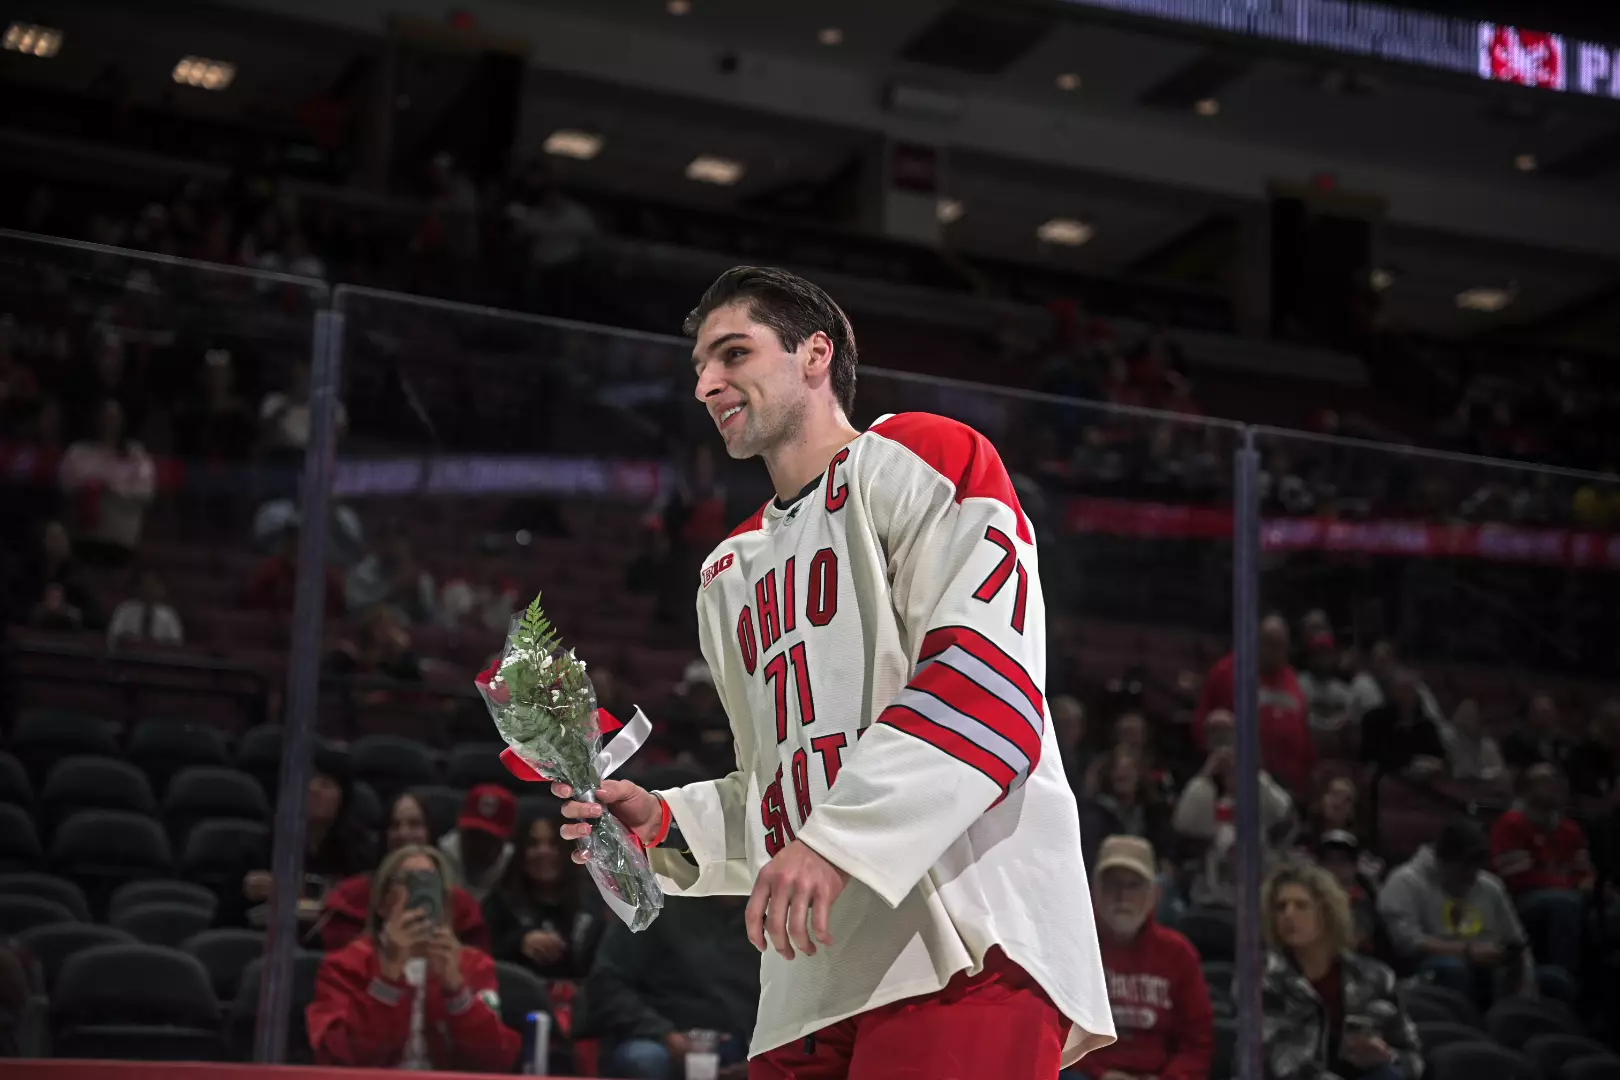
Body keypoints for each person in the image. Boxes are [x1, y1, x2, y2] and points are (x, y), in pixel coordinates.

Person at [555, 266, 1113, 1077]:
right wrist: (668, 824)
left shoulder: (921, 454)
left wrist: (837, 844)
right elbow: (779, 788)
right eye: (699, 368)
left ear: (816, 354)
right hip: (808, 983)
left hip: (962, 941)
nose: (707, 384)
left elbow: (986, 690)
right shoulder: (725, 575)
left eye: (734, 353)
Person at [306, 844, 520, 1071]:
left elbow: (495, 1064)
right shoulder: (345, 966)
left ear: (445, 901)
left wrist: (458, 993)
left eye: (431, 882)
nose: (421, 892)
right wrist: (387, 981)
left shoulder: (474, 966)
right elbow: (336, 1060)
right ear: (383, 903)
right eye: (409, 881)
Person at [1062, 836, 1212, 1080]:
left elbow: (1198, 1041)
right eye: (1112, 885)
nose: (1122, 896)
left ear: (1155, 894)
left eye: (1133, 885)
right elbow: (1058, 1032)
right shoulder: (1072, 950)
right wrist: (1101, 1074)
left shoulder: (1179, 955)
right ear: (1094, 891)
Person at [1376, 817, 1568, 1004]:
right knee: (1452, 968)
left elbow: (1517, 940)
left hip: (1490, 967)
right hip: (1428, 968)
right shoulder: (1405, 882)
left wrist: (1526, 982)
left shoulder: (1490, 885)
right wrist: (1468, 951)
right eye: (1465, 867)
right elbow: (1407, 942)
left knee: (1555, 980)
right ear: (1442, 860)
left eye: (1476, 866)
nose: (1471, 874)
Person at [1260, 863, 1421, 1080]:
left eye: (1301, 905)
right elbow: (1280, 1065)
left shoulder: (1376, 977)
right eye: (1280, 907)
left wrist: (1387, 1056)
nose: (1289, 915)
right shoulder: (1263, 980)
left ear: (1328, 912)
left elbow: (1413, 1056)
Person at [322, 792, 489, 953]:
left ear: (431, 832)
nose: (403, 833)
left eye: (414, 824)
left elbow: (478, 961)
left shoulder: (461, 904)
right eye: (395, 825)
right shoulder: (350, 895)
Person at [1172, 709, 1295, 910]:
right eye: (1214, 733)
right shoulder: (1194, 777)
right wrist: (1207, 775)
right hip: (1212, 895)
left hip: (1261, 889)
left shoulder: (1262, 779)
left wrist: (1249, 773)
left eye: (1227, 733)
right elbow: (1185, 824)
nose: (1222, 741)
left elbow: (1282, 815)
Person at [1195, 614, 1315, 795]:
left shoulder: (1293, 682)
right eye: (1269, 643)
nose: (1273, 651)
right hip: (1237, 783)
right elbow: (1202, 724)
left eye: (1279, 646)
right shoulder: (1227, 671)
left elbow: (1304, 734)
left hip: (1286, 786)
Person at [483, 808, 602, 980]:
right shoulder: (499, 903)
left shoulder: (592, 903)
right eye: (533, 844)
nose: (543, 852)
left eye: (553, 844)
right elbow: (480, 958)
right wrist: (519, 943)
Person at [1359, 671, 1446, 780]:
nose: (1408, 696)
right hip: (1385, 777)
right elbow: (1373, 753)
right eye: (1404, 690)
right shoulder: (1374, 718)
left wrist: (1432, 763)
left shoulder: (1425, 724)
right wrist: (1411, 761)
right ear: (1393, 692)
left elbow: (1438, 755)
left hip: (1422, 779)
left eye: (1412, 690)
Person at [439, 784, 517, 902]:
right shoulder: (439, 858)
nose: (479, 846)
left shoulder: (514, 866)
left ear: (504, 841)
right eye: (474, 835)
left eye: (488, 839)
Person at [106, 569, 184, 648]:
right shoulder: (125, 610)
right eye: (146, 585)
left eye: (153, 586)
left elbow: (176, 644)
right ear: (140, 587)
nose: (149, 590)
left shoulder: (169, 615)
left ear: (160, 588)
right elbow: (112, 638)